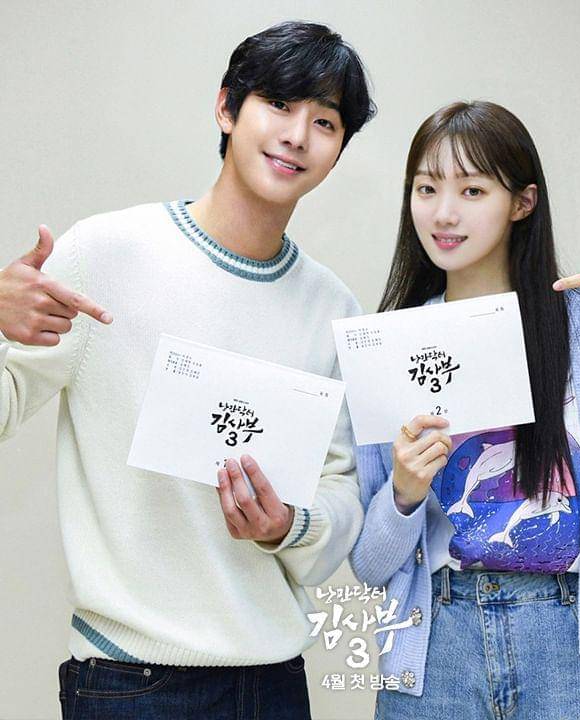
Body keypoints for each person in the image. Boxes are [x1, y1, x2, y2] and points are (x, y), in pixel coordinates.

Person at [0, 20, 375, 720]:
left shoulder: (331, 307)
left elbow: (342, 493)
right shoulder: (105, 253)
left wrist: (285, 524)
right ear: (227, 108)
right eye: (279, 104)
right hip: (128, 683)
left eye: (325, 122)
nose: (298, 135)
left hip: (273, 683)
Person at [350, 100, 580, 719]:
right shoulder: (394, 347)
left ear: (522, 203)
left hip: (576, 653)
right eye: (426, 188)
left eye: (472, 190)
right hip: (435, 652)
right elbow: (370, 565)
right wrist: (404, 494)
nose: (443, 213)